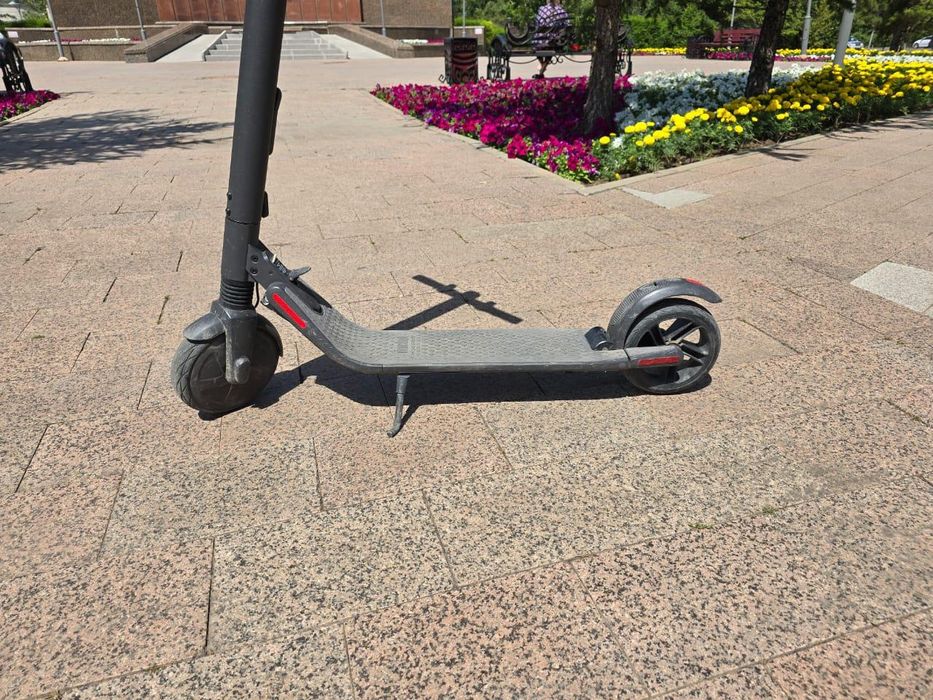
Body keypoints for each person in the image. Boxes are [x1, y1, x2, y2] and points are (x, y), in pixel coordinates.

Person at [532, 0, 571, 78]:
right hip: (553, 42)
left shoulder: (541, 9)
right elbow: (567, 24)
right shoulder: (562, 11)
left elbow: (537, 23)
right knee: (552, 45)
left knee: (536, 45)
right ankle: (543, 68)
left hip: (539, 41)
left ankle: (542, 66)